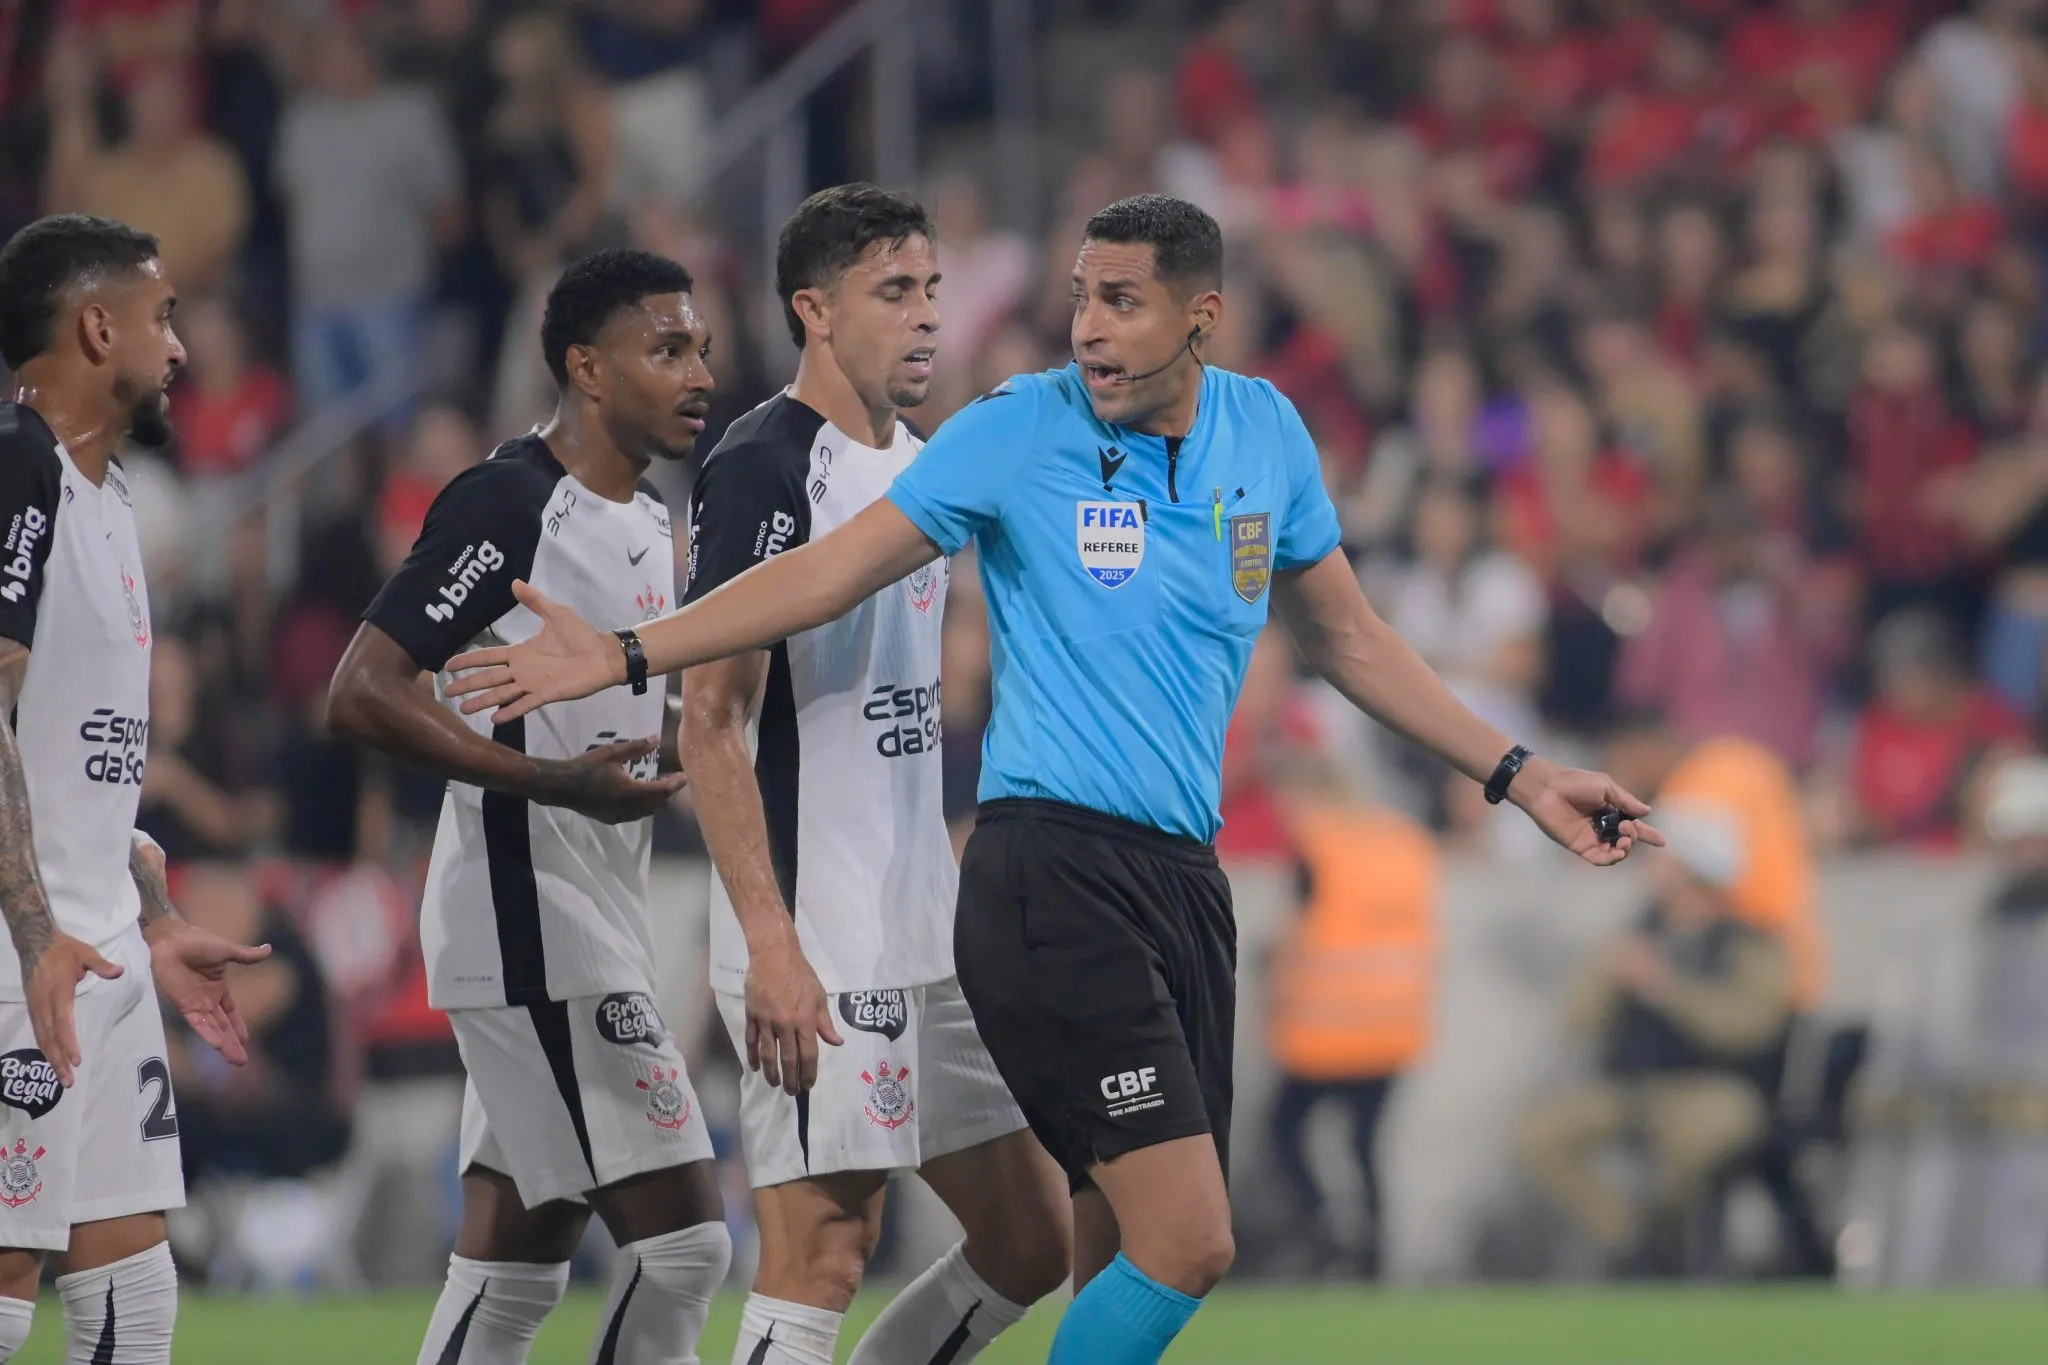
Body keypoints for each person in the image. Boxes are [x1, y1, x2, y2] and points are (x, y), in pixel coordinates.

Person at [445, 195, 1661, 1365]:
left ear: (1201, 315)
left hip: (1183, 882)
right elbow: (824, 578)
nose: (1086, 327)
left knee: (1090, 1253)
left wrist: (1518, 772)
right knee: (1186, 1240)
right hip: (1049, 874)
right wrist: (622, 651)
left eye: (1121, 302)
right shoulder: (1021, 427)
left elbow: (1348, 641)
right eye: (1080, 298)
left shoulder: (1266, 435)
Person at [679, 184, 1067, 1365]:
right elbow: (712, 719)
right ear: (814, 309)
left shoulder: (925, 466)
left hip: (923, 928)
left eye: (932, 291)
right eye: (893, 293)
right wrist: (771, 941)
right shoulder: (759, 467)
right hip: (817, 923)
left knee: (1027, 1242)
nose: (924, 319)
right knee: (823, 1251)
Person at [325, 248, 728, 1365]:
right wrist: (557, 783)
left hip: (588, 914)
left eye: (698, 346)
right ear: (587, 369)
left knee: (510, 1270)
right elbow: (359, 691)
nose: (698, 370)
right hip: (529, 921)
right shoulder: (511, 501)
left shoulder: (647, 515)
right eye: (667, 348)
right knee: (688, 1246)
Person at [0, 213, 272, 1363]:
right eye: (162, 319)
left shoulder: (108, 500)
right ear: (95, 324)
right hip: (27, 960)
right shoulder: (18, 466)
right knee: (9, 1268)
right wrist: (34, 933)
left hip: (100, 948)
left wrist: (149, 905)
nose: (180, 352)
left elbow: (75, 750)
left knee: (132, 1283)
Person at [1516, 802, 1794, 1276]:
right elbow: (1580, 1022)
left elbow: (1747, 1027)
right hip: (1631, 1087)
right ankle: (1631, 1241)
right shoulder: (1639, 933)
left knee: (1702, 1137)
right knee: (1540, 1135)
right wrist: (1608, 974)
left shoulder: (1748, 944)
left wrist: (1666, 988)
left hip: (1709, 1087)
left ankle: (1669, 1231)